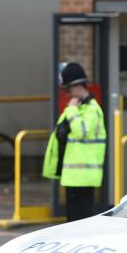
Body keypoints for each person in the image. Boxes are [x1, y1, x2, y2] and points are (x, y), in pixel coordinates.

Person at [43, 62, 106, 222]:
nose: (68, 93)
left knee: (80, 223)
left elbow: (81, 132)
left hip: (84, 177)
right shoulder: (77, 108)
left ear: (77, 86)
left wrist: (71, 110)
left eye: (68, 89)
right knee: (72, 221)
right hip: (73, 176)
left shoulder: (92, 109)